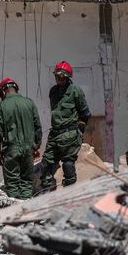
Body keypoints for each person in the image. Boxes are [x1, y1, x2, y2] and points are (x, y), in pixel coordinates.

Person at [41, 61, 90, 192]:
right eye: (57, 77)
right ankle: (48, 191)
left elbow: (85, 113)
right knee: (46, 164)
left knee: (68, 165)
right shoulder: (53, 91)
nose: (59, 79)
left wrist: (79, 129)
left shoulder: (75, 91)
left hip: (70, 135)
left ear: (67, 78)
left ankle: (70, 194)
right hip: (55, 134)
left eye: (62, 77)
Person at [0, 78, 42, 200]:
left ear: (3, 91)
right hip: (28, 149)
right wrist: (35, 147)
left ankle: (14, 214)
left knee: (12, 184)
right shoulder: (29, 103)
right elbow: (38, 127)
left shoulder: (2, 106)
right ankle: (25, 213)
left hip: (11, 149)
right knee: (26, 182)